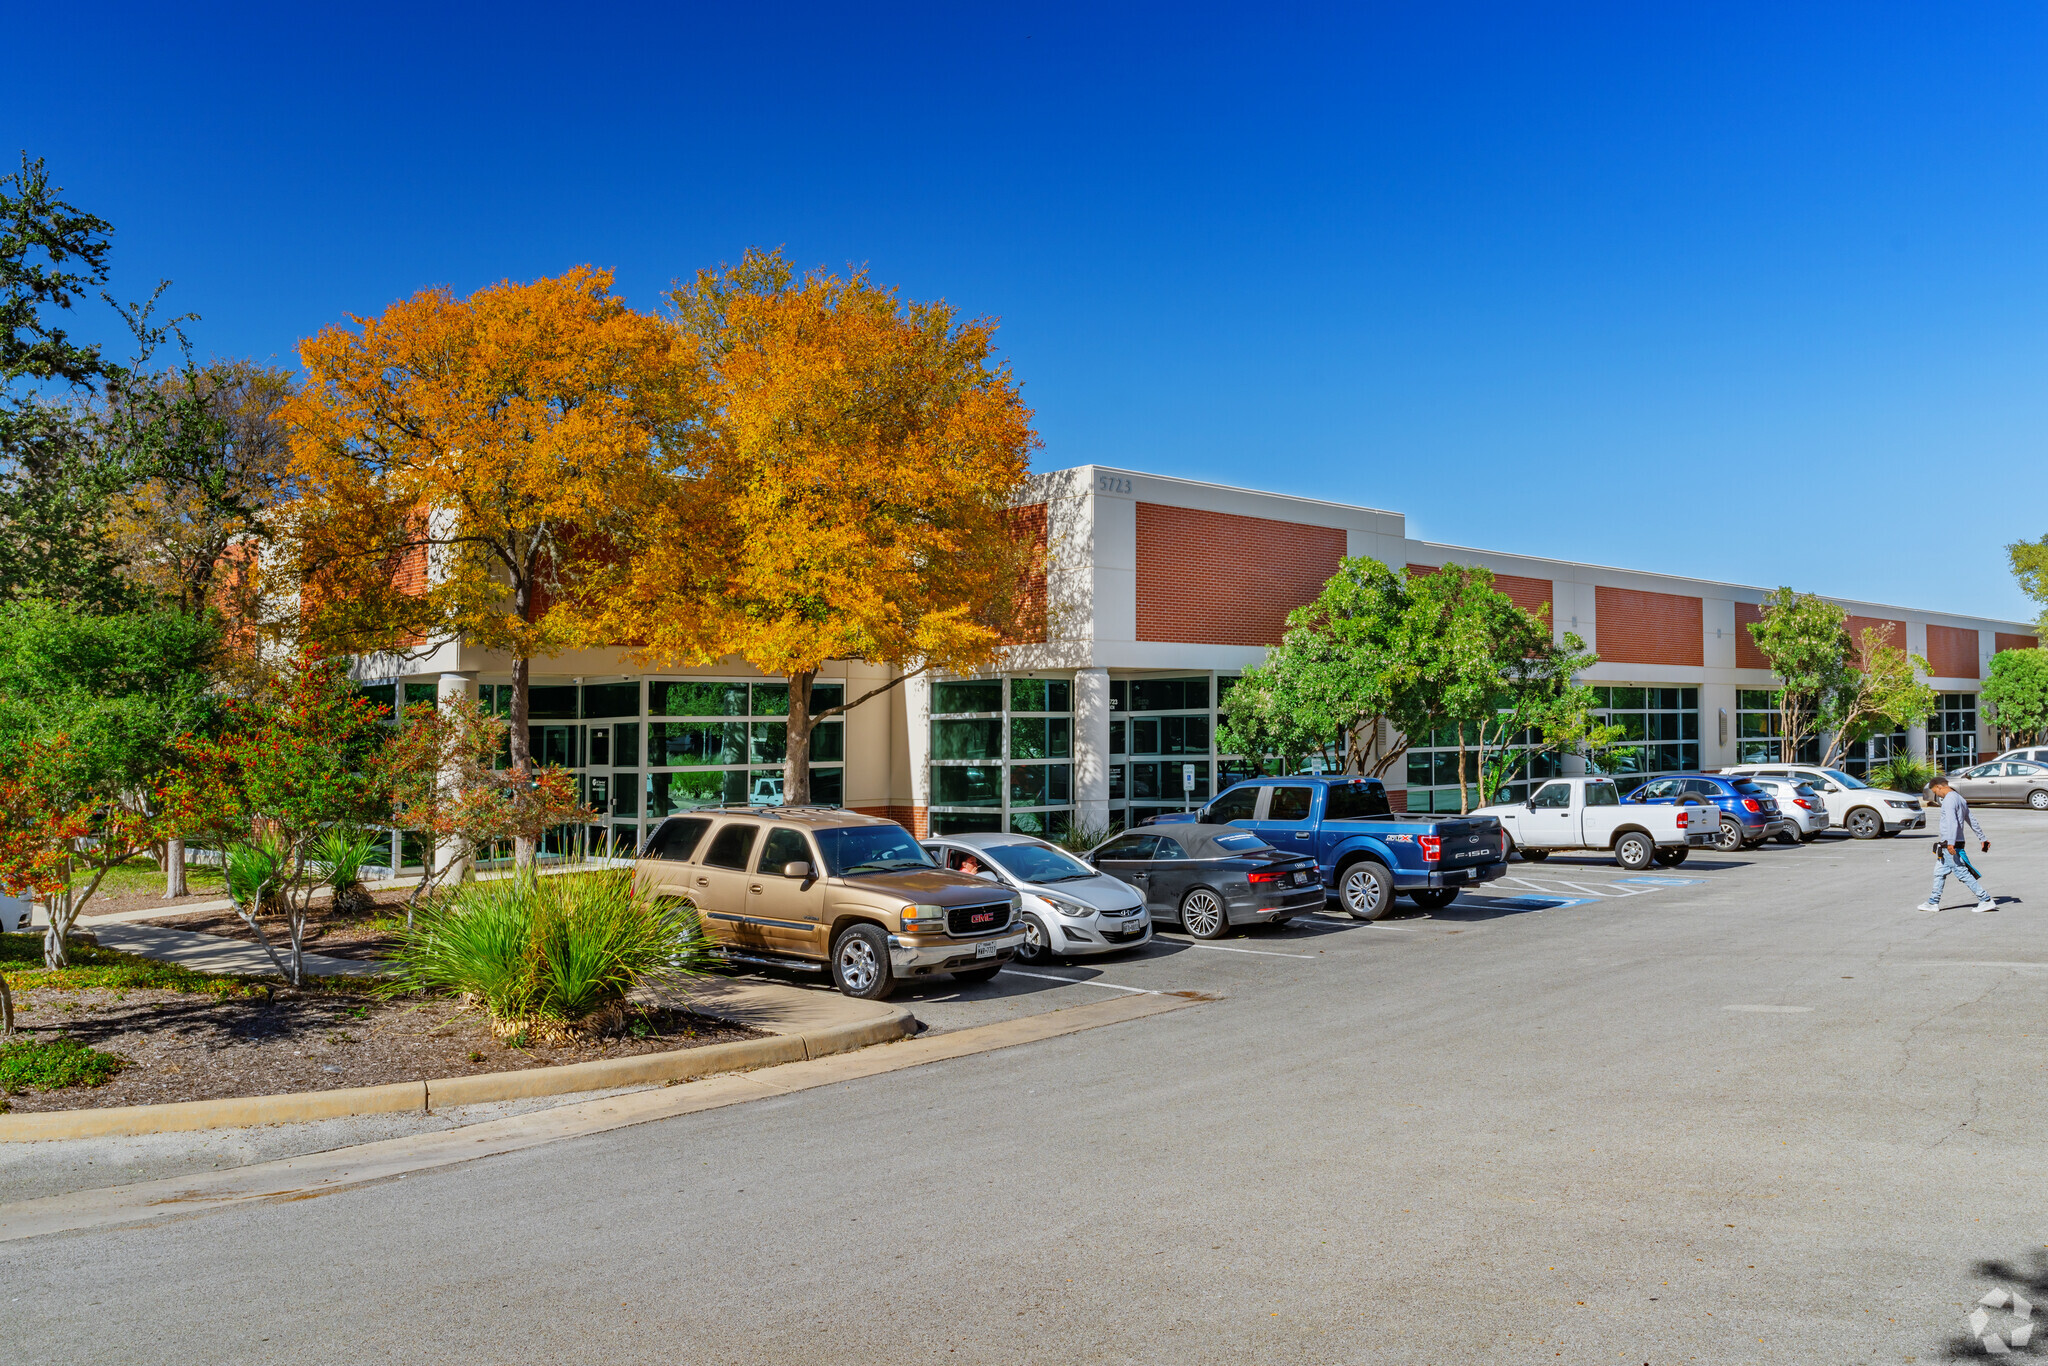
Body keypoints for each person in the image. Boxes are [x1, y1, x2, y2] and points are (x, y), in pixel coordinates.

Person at [1916, 774, 1995, 913]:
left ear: (1939, 786)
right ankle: (1933, 902)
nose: (1937, 795)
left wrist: (1950, 843)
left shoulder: (1949, 800)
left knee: (1962, 873)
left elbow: (1951, 821)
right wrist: (1982, 838)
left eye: (1936, 792)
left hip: (1950, 844)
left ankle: (1985, 899)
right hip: (1950, 843)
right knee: (1939, 873)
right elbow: (1972, 820)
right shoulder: (1960, 798)